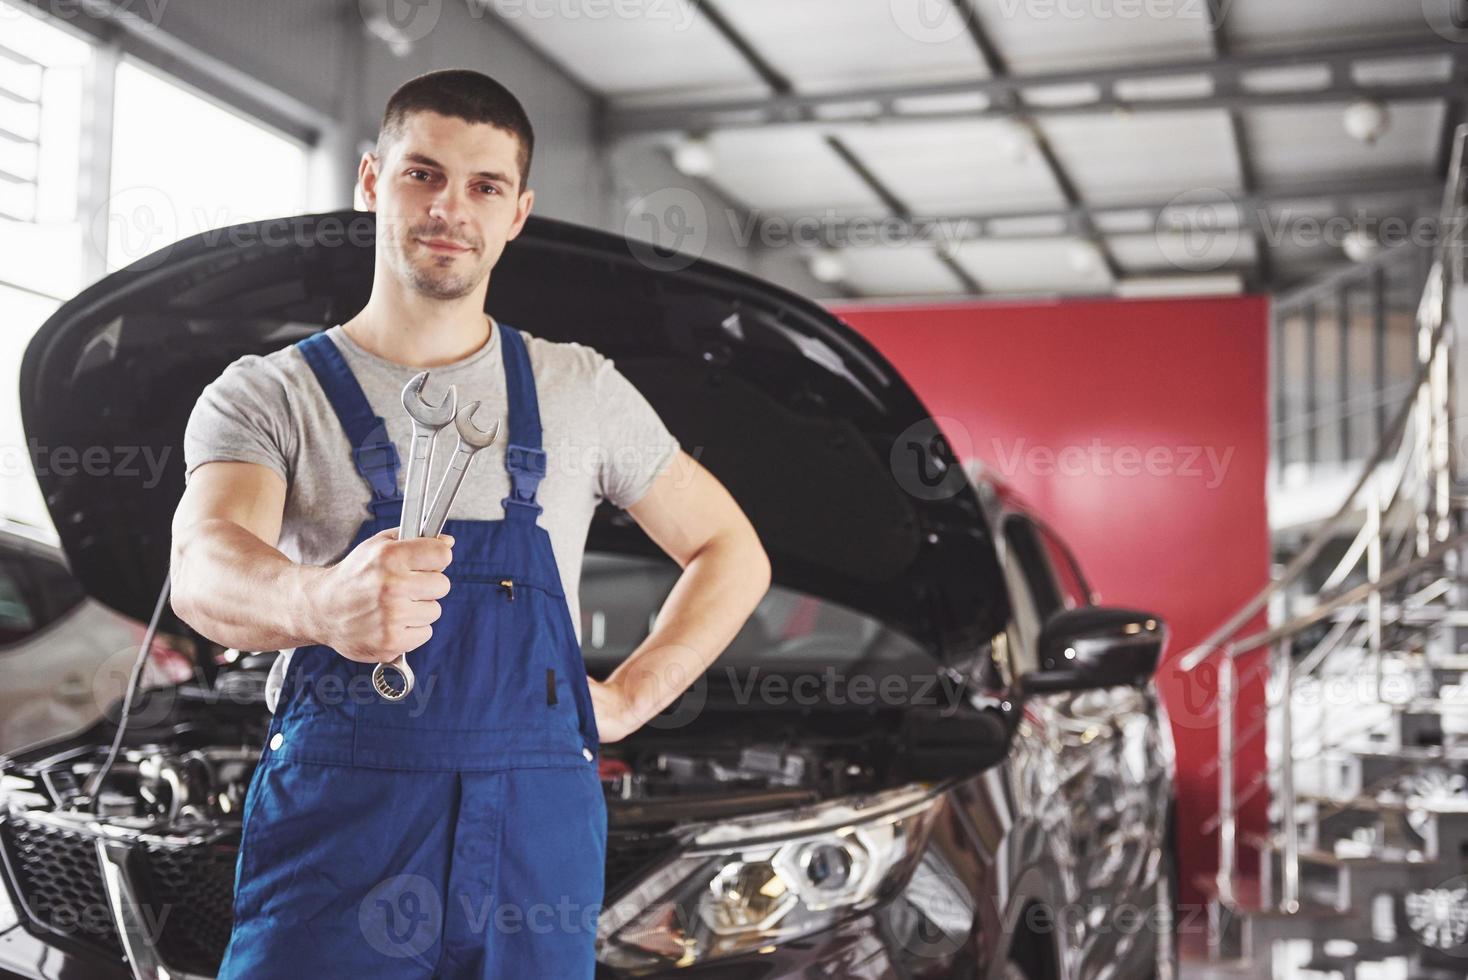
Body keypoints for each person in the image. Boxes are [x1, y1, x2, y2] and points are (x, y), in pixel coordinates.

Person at [169, 68, 770, 979]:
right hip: (344, 828)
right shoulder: (271, 394)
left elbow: (730, 550)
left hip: (538, 833)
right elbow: (205, 567)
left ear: (517, 212)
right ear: (372, 181)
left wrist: (632, 697)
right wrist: (320, 602)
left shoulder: (580, 389)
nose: (451, 207)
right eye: (424, 174)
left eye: (484, 186)